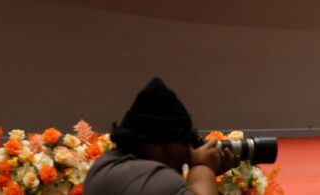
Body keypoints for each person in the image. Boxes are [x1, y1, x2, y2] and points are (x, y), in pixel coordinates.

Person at [83, 77, 239, 195]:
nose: (188, 151)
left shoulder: (105, 166)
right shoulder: (156, 179)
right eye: (185, 141)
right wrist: (203, 167)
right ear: (154, 145)